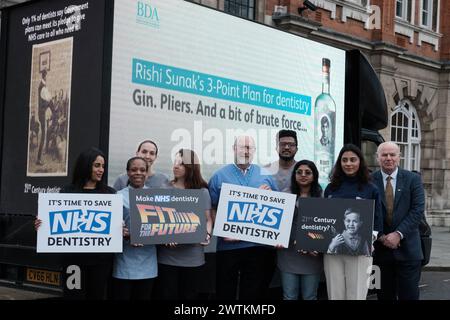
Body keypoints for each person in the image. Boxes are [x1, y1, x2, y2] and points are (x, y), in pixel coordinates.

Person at [35, 147, 116, 299]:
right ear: (85, 166)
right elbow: (54, 223)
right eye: (97, 165)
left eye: (103, 166)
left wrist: (121, 229)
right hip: (73, 261)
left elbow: (115, 226)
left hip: (100, 262)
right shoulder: (67, 191)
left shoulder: (110, 193)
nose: (101, 170)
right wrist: (41, 225)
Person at [208, 135, 278, 300]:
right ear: (234, 149)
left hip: (257, 247)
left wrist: (269, 196)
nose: (245, 151)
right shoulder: (219, 176)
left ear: (253, 151)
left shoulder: (266, 175)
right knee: (225, 290)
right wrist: (222, 229)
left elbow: (278, 207)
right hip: (228, 247)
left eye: (249, 148)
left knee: (253, 292)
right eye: (242, 147)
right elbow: (211, 208)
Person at [323, 143, 383, 300]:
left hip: (360, 250)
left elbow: (378, 219)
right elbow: (325, 217)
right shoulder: (331, 188)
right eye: (344, 160)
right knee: (334, 293)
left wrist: (371, 238)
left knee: (356, 294)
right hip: (334, 249)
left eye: (352, 159)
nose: (348, 163)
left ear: (360, 162)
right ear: (339, 163)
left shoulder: (371, 188)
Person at [156, 149, 213, 300]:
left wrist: (207, 235)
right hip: (167, 258)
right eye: (175, 162)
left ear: (191, 167)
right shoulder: (164, 188)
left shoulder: (202, 192)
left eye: (181, 163)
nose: (176, 166)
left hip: (193, 259)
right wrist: (164, 237)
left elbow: (208, 220)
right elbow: (157, 219)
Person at [372, 141, 425, 300]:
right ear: (377, 158)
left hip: (408, 251)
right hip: (379, 252)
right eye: (384, 155)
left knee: (409, 296)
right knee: (383, 296)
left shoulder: (413, 179)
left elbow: (417, 210)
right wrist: (381, 236)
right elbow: (366, 211)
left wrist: (398, 234)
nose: (388, 158)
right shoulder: (368, 180)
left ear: (399, 157)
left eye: (392, 154)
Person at [112, 157, 158, 300]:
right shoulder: (117, 196)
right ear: (127, 172)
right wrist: (121, 232)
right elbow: (111, 228)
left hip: (148, 264)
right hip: (124, 263)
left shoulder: (156, 197)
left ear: (147, 173)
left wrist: (171, 235)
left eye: (142, 170)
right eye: (134, 169)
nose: (138, 173)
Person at [277, 160, 323, 300]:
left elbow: (325, 227)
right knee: (289, 296)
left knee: (310, 297)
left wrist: (316, 244)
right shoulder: (285, 195)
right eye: (299, 172)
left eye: (308, 172)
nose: (303, 175)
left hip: (312, 256)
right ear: (294, 175)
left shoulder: (322, 196)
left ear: (314, 175)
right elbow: (277, 223)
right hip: (288, 254)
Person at [36, 69, 52, 165]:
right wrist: (49, 103)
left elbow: (45, 100)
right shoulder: (42, 87)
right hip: (42, 114)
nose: (47, 78)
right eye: (46, 76)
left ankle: (39, 157)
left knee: (44, 134)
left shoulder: (42, 86)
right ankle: (38, 159)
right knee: (43, 136)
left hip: (42, 113)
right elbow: (44, 102)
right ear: (44, 77)